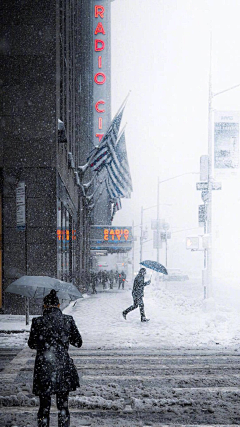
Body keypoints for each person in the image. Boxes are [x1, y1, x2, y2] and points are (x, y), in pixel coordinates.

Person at [28, 289, 82, 427]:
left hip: (43, 367)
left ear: (45, 305)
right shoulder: (68, 320)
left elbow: (32, 344)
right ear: (58, 305)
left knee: (44, 407)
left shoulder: (37, 321)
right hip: (63, 366)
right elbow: (78, 342)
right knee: (63, 406)